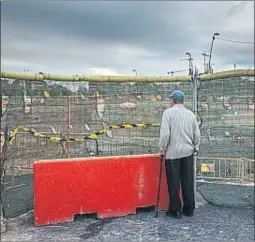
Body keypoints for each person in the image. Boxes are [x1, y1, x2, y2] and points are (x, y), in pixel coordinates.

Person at [158, 90, 200, 219]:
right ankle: (189, 209)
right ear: (182, 100)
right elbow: (196, 133)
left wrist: (162, 150)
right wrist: (196, 147)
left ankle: (175, 210)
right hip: (188, 152)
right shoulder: (190, 114)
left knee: (174, 183)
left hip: (172, 153)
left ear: (172, 100)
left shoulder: (168, 113)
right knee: (187, 181)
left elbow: (165, 134)